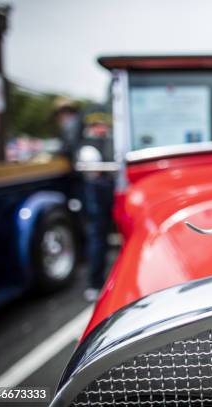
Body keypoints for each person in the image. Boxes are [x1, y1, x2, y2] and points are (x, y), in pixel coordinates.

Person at [77, 105, 115, 301]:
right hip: (97, 195)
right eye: (96, 124)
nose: (100, 127)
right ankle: (96, 283)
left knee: (101, 237)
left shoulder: (110, 141)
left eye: (102, 123)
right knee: (98, 237)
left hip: (111, 191)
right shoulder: (88, 146)